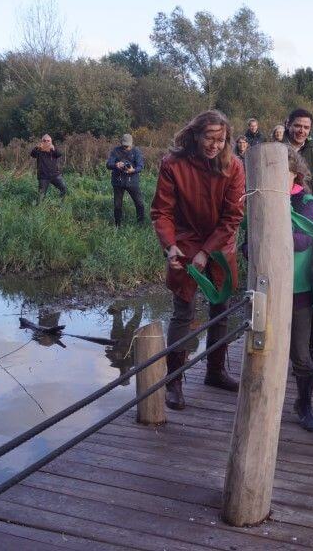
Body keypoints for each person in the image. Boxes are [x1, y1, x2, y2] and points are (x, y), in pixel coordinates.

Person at [151, 110, 245, 411]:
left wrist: (209, 251)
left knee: (221, 308)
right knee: (183, 311)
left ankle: (216, 371)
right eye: (209, 137)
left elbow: (233, 217)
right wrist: (170, 247)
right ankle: (174, 381)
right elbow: (162, 211)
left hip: (221, 243)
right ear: (195, 135)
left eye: (221, 139)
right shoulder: (172, 164)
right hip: (185, 241)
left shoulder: (234, 167)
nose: (215, 145)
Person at [286, 149, 313, 431]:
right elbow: (248, 243)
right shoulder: (260, 199)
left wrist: (272, 231)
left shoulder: (306, 202)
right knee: (261, 348)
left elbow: (304, 240)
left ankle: (304, 403)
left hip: (298, 289)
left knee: (301, 352)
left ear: (296, 174)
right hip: (266, 288)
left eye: (282, 173)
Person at [285, 108, 313, 200]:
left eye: (306, 127)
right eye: (297, 126)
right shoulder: (275, 150)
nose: (301, 131)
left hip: (305, 210)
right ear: (288, 125)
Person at [106, 133, 145, 226]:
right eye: (124, 145)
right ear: (121, 143)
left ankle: (141, 224)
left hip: (132, 181)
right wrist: (116, 165)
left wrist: (133, 170)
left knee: (139, 203)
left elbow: (141, 166)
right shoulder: (115, 151)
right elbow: (108, 164)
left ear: (131, 143)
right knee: (117, 205)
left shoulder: (136, 152)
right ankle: (117, 225)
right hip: (118, 181)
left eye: (127, 146)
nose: (126, 147)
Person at [30, 134, 67, 200]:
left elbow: (59, 154)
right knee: (41, 195)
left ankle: (60, 203)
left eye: (48, 141)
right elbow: (32, 154)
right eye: (44, 140)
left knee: (63, 188)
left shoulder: (53, 149)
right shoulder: (38, 150)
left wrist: (53, 149)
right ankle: (39, 208)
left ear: (51, 141)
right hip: (43, 176)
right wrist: (37, 147)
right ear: (42, 141)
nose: (46, 142)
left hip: (55, 175)